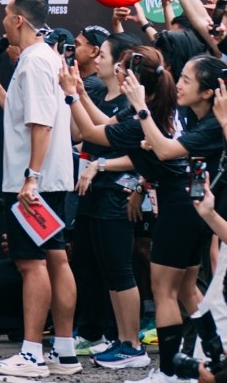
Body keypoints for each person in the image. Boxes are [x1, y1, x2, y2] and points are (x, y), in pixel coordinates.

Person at [103, 52, 224, 383]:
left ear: (208, 91)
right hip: (201, 212)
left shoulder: (214, 123)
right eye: (179, 76)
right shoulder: (200, 118)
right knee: (189, 289)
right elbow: (190, 163)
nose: (180, 84)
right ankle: (214, 358)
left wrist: (141, 108)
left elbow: (168, 151)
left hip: (189, 212)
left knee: (165, 290)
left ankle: (172, 371)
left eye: (187, 79)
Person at [0, 0, 81, 378]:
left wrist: (31, 178)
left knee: (31, 263)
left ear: (19, 20)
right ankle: (65, 351)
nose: (3, 22)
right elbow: (27, 117)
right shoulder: (42, 59)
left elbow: (41, 123)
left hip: (34, 182)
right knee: (54, 259)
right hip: (46, 179)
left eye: (7, 15)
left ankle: (31, 354)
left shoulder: (34, 61)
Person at [62, 38, 159, 370]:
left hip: (119, 196)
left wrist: (72, 93)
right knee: (109, 271)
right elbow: (98, 126)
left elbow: (91, 130)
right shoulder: (128, 110)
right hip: (103, 196)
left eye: (106, 56)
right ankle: (123, 340)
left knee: (122, 271)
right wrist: (82, 93)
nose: (105, 63)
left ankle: (133, 345)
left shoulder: (140, 113)